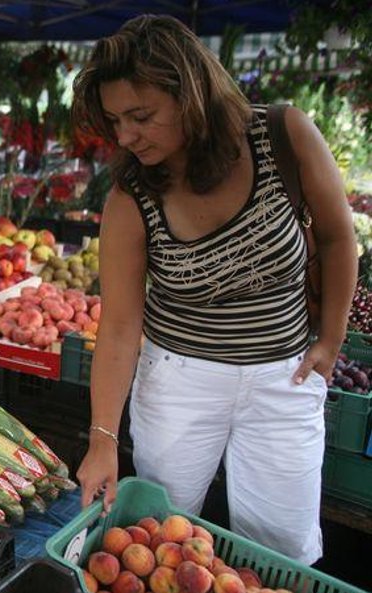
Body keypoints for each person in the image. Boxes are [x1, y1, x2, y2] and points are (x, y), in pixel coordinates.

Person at [72, 15, 356, 564]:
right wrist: (102, 437)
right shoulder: (131, 194)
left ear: (192, 96)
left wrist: (331, 339)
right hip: (180, 382)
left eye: (142, 116)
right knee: (162, 539)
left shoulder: (284, 135)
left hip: (283, 376)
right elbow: (122, 324)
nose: (126, 135)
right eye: (115, 120)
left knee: (282, 547)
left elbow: (340, 238)